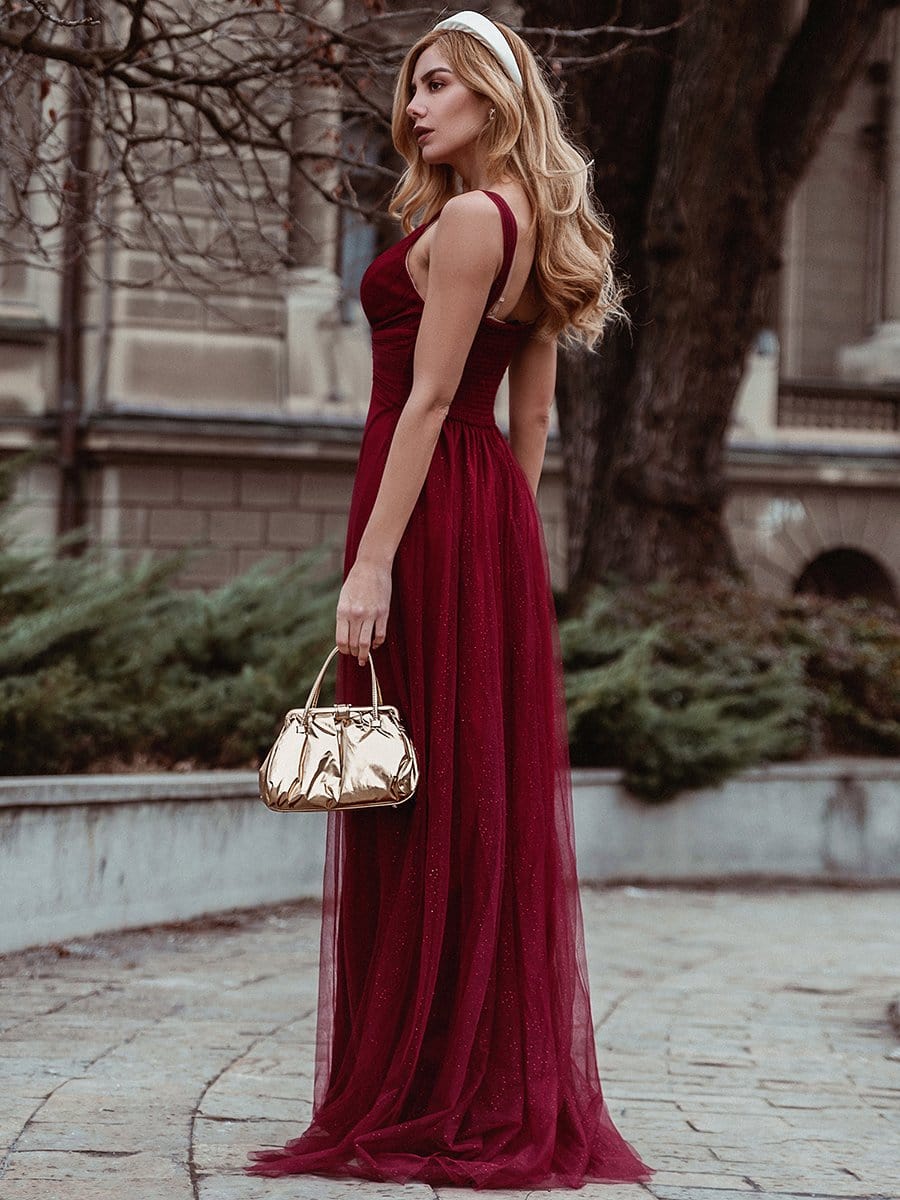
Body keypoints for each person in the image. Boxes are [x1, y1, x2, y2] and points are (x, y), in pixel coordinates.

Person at [246, 9, 655, 1190]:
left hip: (422, 511)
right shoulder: (536, 224)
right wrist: (497, 560)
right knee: (458, 793)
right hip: (479, 520)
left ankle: (430, 1089)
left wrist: (379, 561)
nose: (413, 106)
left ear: (489, 92)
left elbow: (427, 404)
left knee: (419, 799)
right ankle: (451, 1071)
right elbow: (531, 425)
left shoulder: (473, 218)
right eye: (410, 88)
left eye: (435, 85)